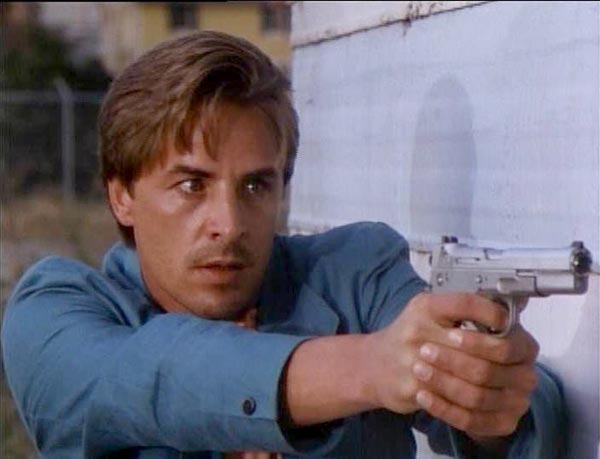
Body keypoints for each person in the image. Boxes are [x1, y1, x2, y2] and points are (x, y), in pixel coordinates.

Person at [2, 31, 565, 459]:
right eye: (191, 185)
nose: (229, 224)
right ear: (121, 196)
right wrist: (368, 366)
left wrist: (490, 400)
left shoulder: (354, 273)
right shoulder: (54, 313)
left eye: (255, 186)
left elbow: (530, 410)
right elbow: (156, 374)